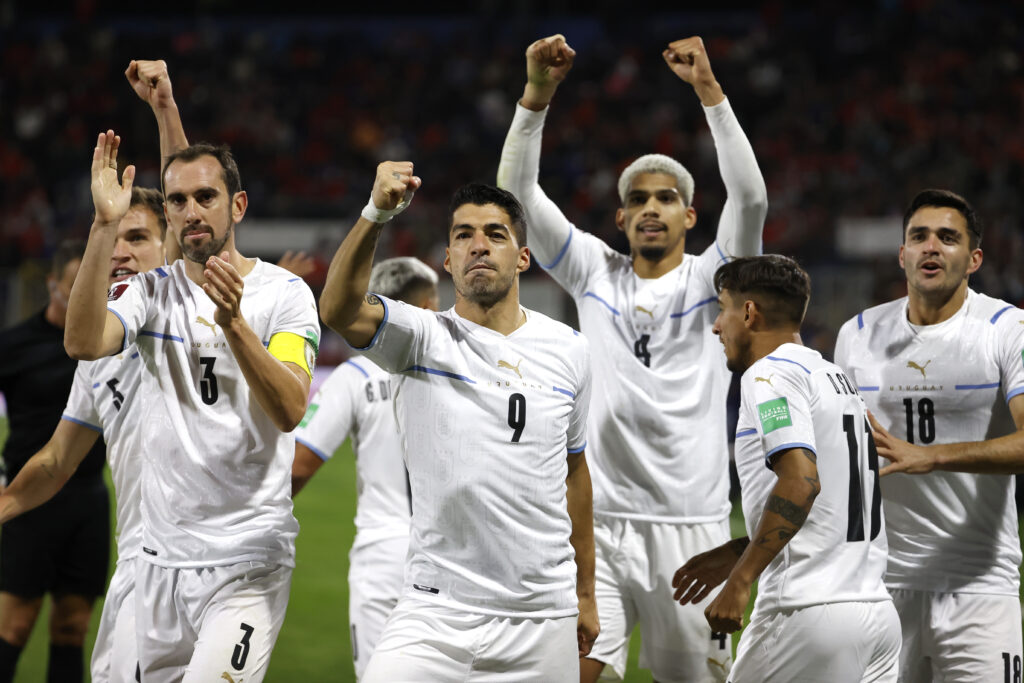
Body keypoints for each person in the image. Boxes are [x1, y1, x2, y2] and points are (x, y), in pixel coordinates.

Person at [497, 34, 767, 682]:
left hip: (692, 527)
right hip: (601, 527)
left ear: (690, 214)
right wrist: (536, 96)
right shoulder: (595, 270)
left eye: (666, 198)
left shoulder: (713, 281)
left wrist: (709, 90)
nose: (652, 208)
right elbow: (515, 195)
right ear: (619, 218)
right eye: (639, 199)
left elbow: (752, 199)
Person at [318, 165, 596, 680]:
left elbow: (576, 473)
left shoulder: (570, 351)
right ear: (447, 260)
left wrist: (585, 595)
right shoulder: (419, 336)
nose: (479, 245)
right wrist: (376, 212)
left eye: (496, 234)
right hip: (434, 610)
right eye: (463, 235)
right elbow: (336, 309)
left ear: (523, 257)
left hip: (541, 616)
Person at [64, 131, 319, 682]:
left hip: (247, 561)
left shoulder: (285, 294)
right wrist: (103, 226)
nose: (191, 211)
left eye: (206, 197)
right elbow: (84, 343)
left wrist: (235, 325)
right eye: (177, 201)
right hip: (158, 561)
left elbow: (290, 407)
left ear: (238, 205)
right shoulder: (152, 291)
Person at [674, 254, 900, 681]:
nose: (716, 326)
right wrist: (742, 548)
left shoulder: (768, 376)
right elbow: (828, 505)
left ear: (748, 311)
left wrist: (741, 581)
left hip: (807, 613)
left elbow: (801, 481)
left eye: (721, 309)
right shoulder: (834, 377)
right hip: (876, 615)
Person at [834, 189, 1024, 681]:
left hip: (979, 587)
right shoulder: (857, 334)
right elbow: (840, 458)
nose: (931, 247)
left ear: (974, 258)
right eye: (918, 236)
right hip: (877, 587)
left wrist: (931, 457)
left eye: (948, 237)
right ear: (902, 254)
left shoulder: (1006, 329)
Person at [0, 187, 166, 683]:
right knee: (20, 625)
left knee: (72, 625)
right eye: (113, 240)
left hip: (209, 557)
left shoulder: (192, 315)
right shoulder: (93, 357)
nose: (121, 253)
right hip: (135, 555)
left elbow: (196, 202)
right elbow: (56, 459)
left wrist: (165, 111)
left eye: (136, 237)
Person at [292, 256, 439, 680]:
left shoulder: (355, 375)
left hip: (383, 556)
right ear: (426, 306)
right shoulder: (462, 370)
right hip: (452, 555)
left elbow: (299, 466)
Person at [0, 239, 110, 683]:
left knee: (73, 627)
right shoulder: (15, 345)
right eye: (74, 286)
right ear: (52, 285)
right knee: (14, 625)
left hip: (88, 502)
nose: (84, 298)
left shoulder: (108, 344)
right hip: (29, 502)